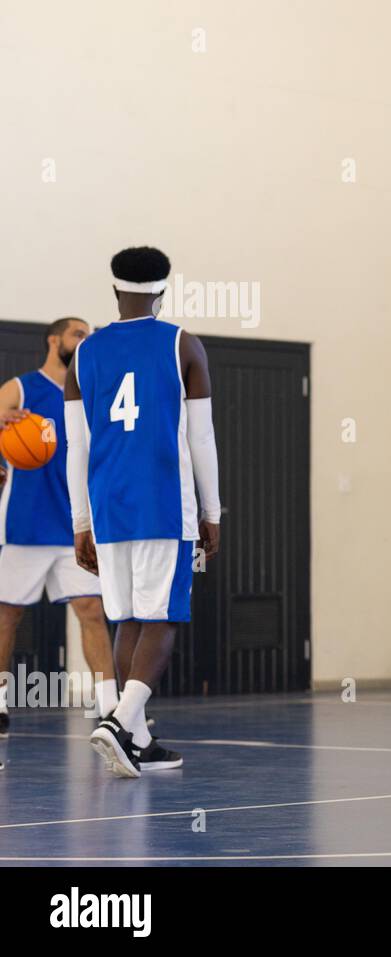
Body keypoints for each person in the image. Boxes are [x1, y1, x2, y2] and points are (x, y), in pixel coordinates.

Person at [68, 246, 221, 778]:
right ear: (162, 291)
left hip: (109, 506)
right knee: (165, 618)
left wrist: (80, 522)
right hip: (163, 501)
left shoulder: (84, 353)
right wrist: (212, 510)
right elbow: (201, 437)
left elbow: (77, 449)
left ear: (114, 291)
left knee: (130, 615)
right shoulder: (183, 345)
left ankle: (137, 739)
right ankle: (119, 719)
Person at [0, 318, 116, 736]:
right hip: (24, 524)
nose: (83, 341)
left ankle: (110, 709)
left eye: (88, 336)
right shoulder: (21, 387)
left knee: (91, 612)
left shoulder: (88, 395)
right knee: (7, 615)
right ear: (54, 340)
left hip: (73, 526)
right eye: (77, 334)